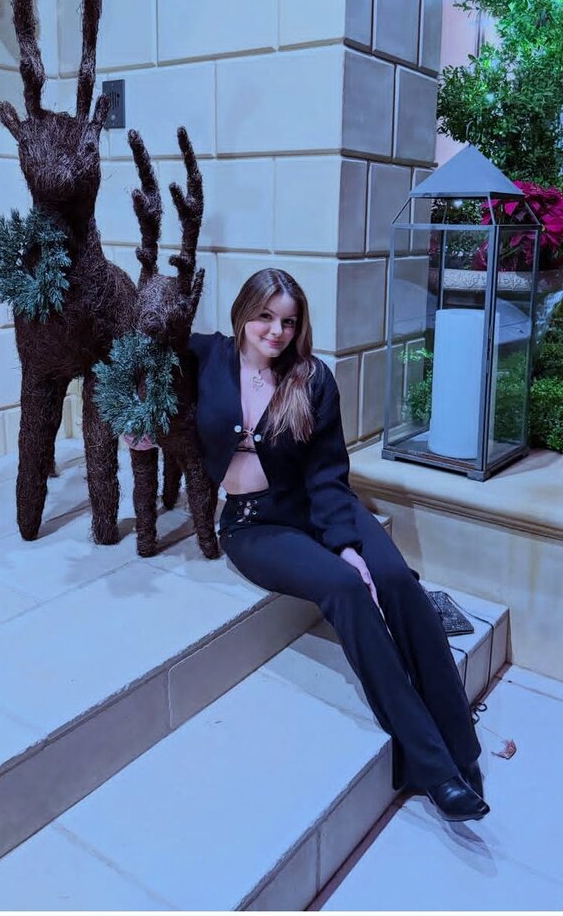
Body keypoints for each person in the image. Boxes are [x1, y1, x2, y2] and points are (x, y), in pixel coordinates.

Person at [189, 268, 489, 822]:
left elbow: (327, 472)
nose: (276, 332)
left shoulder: (312, 378)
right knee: (345, 588)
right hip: (255, 525)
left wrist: (347, 543)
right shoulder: (204, 356)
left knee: (395, 581)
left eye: (288, 322)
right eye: (265, 317)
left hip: (319, 505)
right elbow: (136, 364)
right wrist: (135, 426)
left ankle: (462, 747)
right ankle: (436, 770)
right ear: (243, 313)